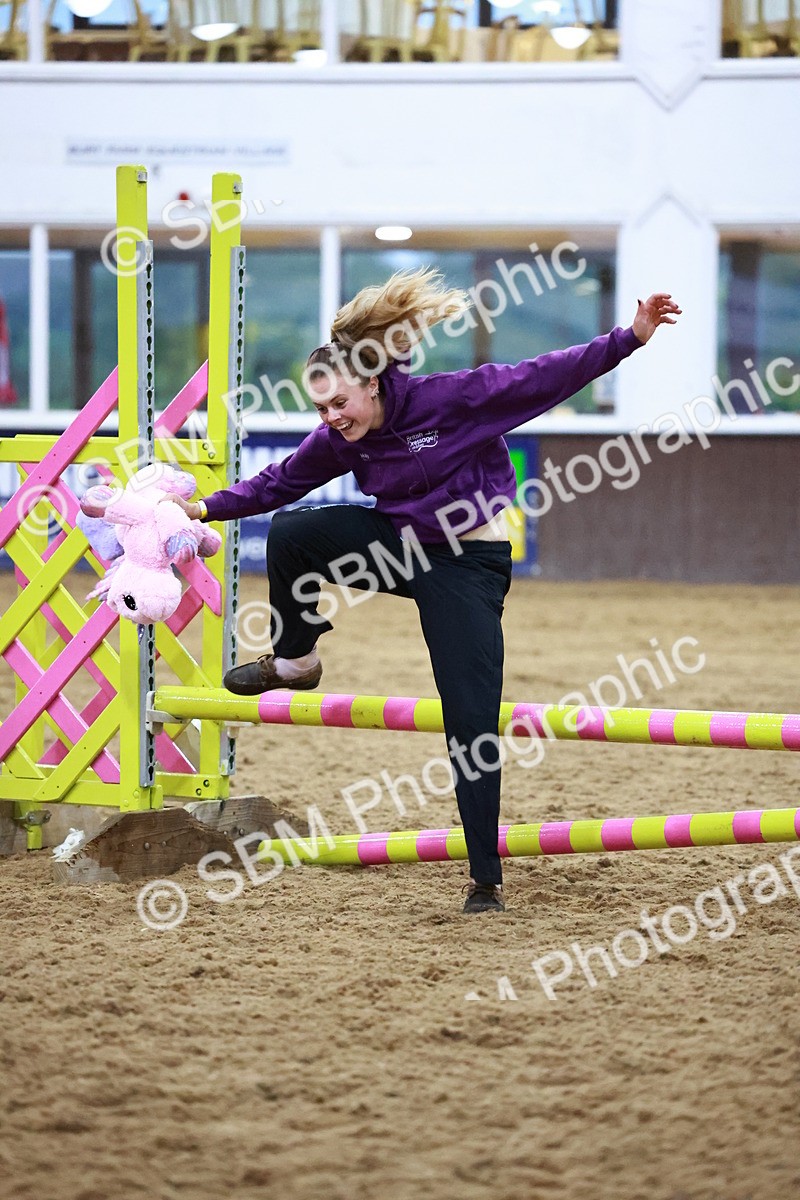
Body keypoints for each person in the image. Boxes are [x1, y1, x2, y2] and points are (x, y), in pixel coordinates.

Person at [164, 268, 681, 914]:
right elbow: (278, 482)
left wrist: (630, 336)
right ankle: (297, 659)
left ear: (374, 383)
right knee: (292, 534)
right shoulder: (341, 438)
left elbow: (549, 375)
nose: (330, 419)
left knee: (469, 718)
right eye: (320, 409)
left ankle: (485, 879)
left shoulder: (454, 398)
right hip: (401, 547)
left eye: (339, 405)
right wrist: (205, 511)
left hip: (469, 565)